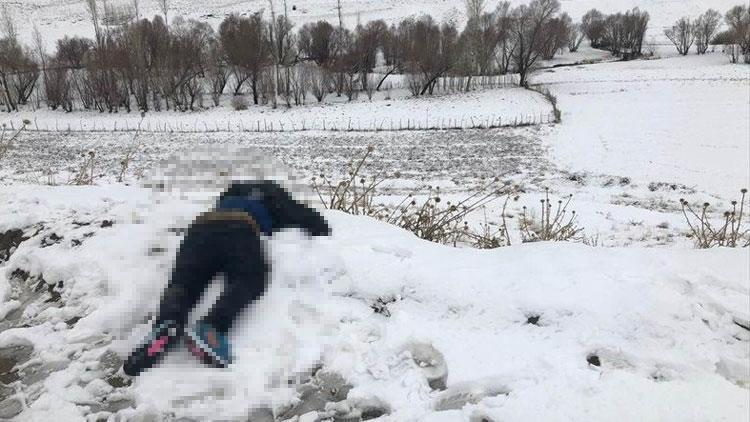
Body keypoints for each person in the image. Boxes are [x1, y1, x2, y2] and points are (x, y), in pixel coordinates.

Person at [123, 180, 330, 376]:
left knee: (185, 282)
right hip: (240, 228)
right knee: (250, 278)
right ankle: (212, 326)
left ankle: (167, 322)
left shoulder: (233, 192)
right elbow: (309, 219)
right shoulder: (273, 194)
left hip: (199, 229)